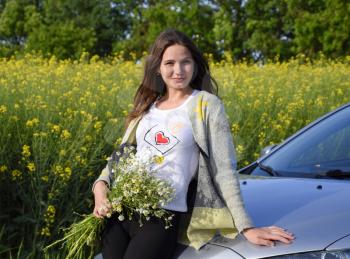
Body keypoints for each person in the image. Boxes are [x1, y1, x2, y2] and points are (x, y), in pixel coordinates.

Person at [92, 29, 294, 259]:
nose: (178, 70)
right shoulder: (146, 107)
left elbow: (223, 169)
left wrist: (246, 227)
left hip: (161, 217)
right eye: (169, 63)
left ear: (195, 66)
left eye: (185, 62)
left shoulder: (206, 105)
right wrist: (100, 192)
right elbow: (118, 162)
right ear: (158, 68)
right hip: (120, 214)